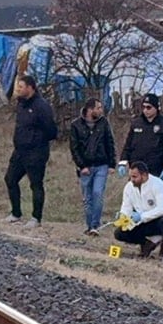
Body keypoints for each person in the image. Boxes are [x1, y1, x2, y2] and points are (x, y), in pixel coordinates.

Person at [3, 75, 58, 228]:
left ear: (30, 87)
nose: (18, 90)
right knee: (10, 179)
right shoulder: (20, 104)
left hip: (36, 152)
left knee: (35, 184)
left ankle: (36, 218)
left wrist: (36, 140)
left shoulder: (42, 106)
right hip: (19, 150)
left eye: (21, 87)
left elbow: (52, 131)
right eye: (17, 87)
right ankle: (16, 213)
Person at [69, 97, 115, 236]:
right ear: (90, 110)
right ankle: (89, 225)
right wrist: (81, 165)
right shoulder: (76, 125)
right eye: (98, 108)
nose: (101, 110)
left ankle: (95, 224)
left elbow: (109, 142)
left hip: (101, 164)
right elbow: (74, 147)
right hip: (85, 167)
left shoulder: (103, 123)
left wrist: (112, 163)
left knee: (97, 193)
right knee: (87, 198)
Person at [114, 161, 163, 259]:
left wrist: (142, 216)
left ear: (144, 175)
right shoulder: (129, 187)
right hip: (142, 223)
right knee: (119, 233)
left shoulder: (158, 184)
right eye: (131, 176)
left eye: (134, 177)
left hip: (157, 221)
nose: (131, 179)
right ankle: (148, 243)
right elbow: (126, 206)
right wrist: (122, 216)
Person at [118, 92, 163, 183]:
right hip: (136, 169)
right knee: (135, 195)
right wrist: (122, 162)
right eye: (143, 107)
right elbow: (128, 145)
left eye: (149, 107)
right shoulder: (136, 123)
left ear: (156, 108)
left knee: (152, 196)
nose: (145, 110)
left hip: (155, 170)